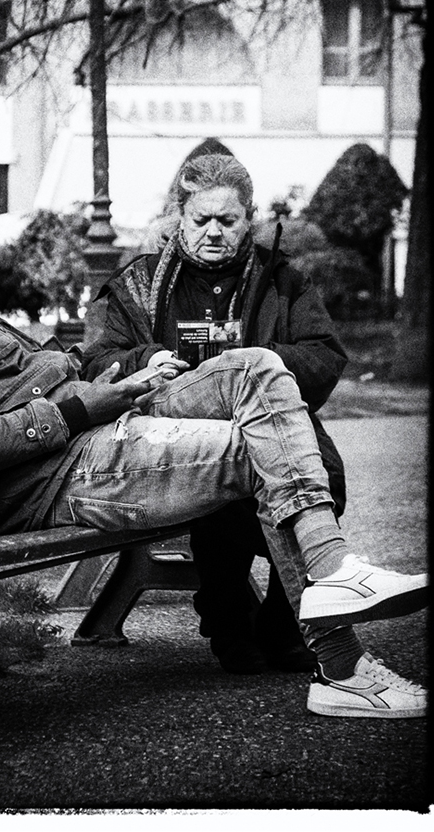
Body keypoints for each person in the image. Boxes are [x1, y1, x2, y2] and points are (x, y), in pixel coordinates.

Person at [0, 179, 429, 719]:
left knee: (258, 367)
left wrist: (120, 383)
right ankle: (344, 668)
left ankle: (334, 570)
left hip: (101, 421)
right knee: (260, 446)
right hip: (61, 470)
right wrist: (83, 408)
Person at [80, 143, 346, 676]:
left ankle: (283, 623)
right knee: (221, 483)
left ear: (249, 219)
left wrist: (255, 363)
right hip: (175, 430)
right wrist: (147, 359)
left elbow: (323, 355)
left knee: (324, 474)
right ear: (179, 217)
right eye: (201, 219)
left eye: (228, 220)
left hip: (268, 420)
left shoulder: (282, 279)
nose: (214, 232)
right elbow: (97, 362)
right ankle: (227, 622)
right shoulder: (138, 283)